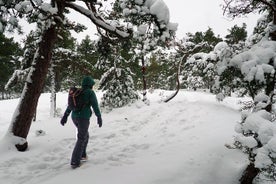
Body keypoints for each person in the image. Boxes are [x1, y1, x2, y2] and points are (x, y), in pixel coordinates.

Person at [60, 76, 102, 169]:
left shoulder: (78, 92)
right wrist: (99, 116)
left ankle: (82, 155)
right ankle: (75, 161)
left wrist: (65, 116)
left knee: (85, 136)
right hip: (83, 118)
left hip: (74, 117)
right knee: (82, 138)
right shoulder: (90, 92)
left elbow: (70, 106)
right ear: (90, 85)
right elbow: (95, 105)